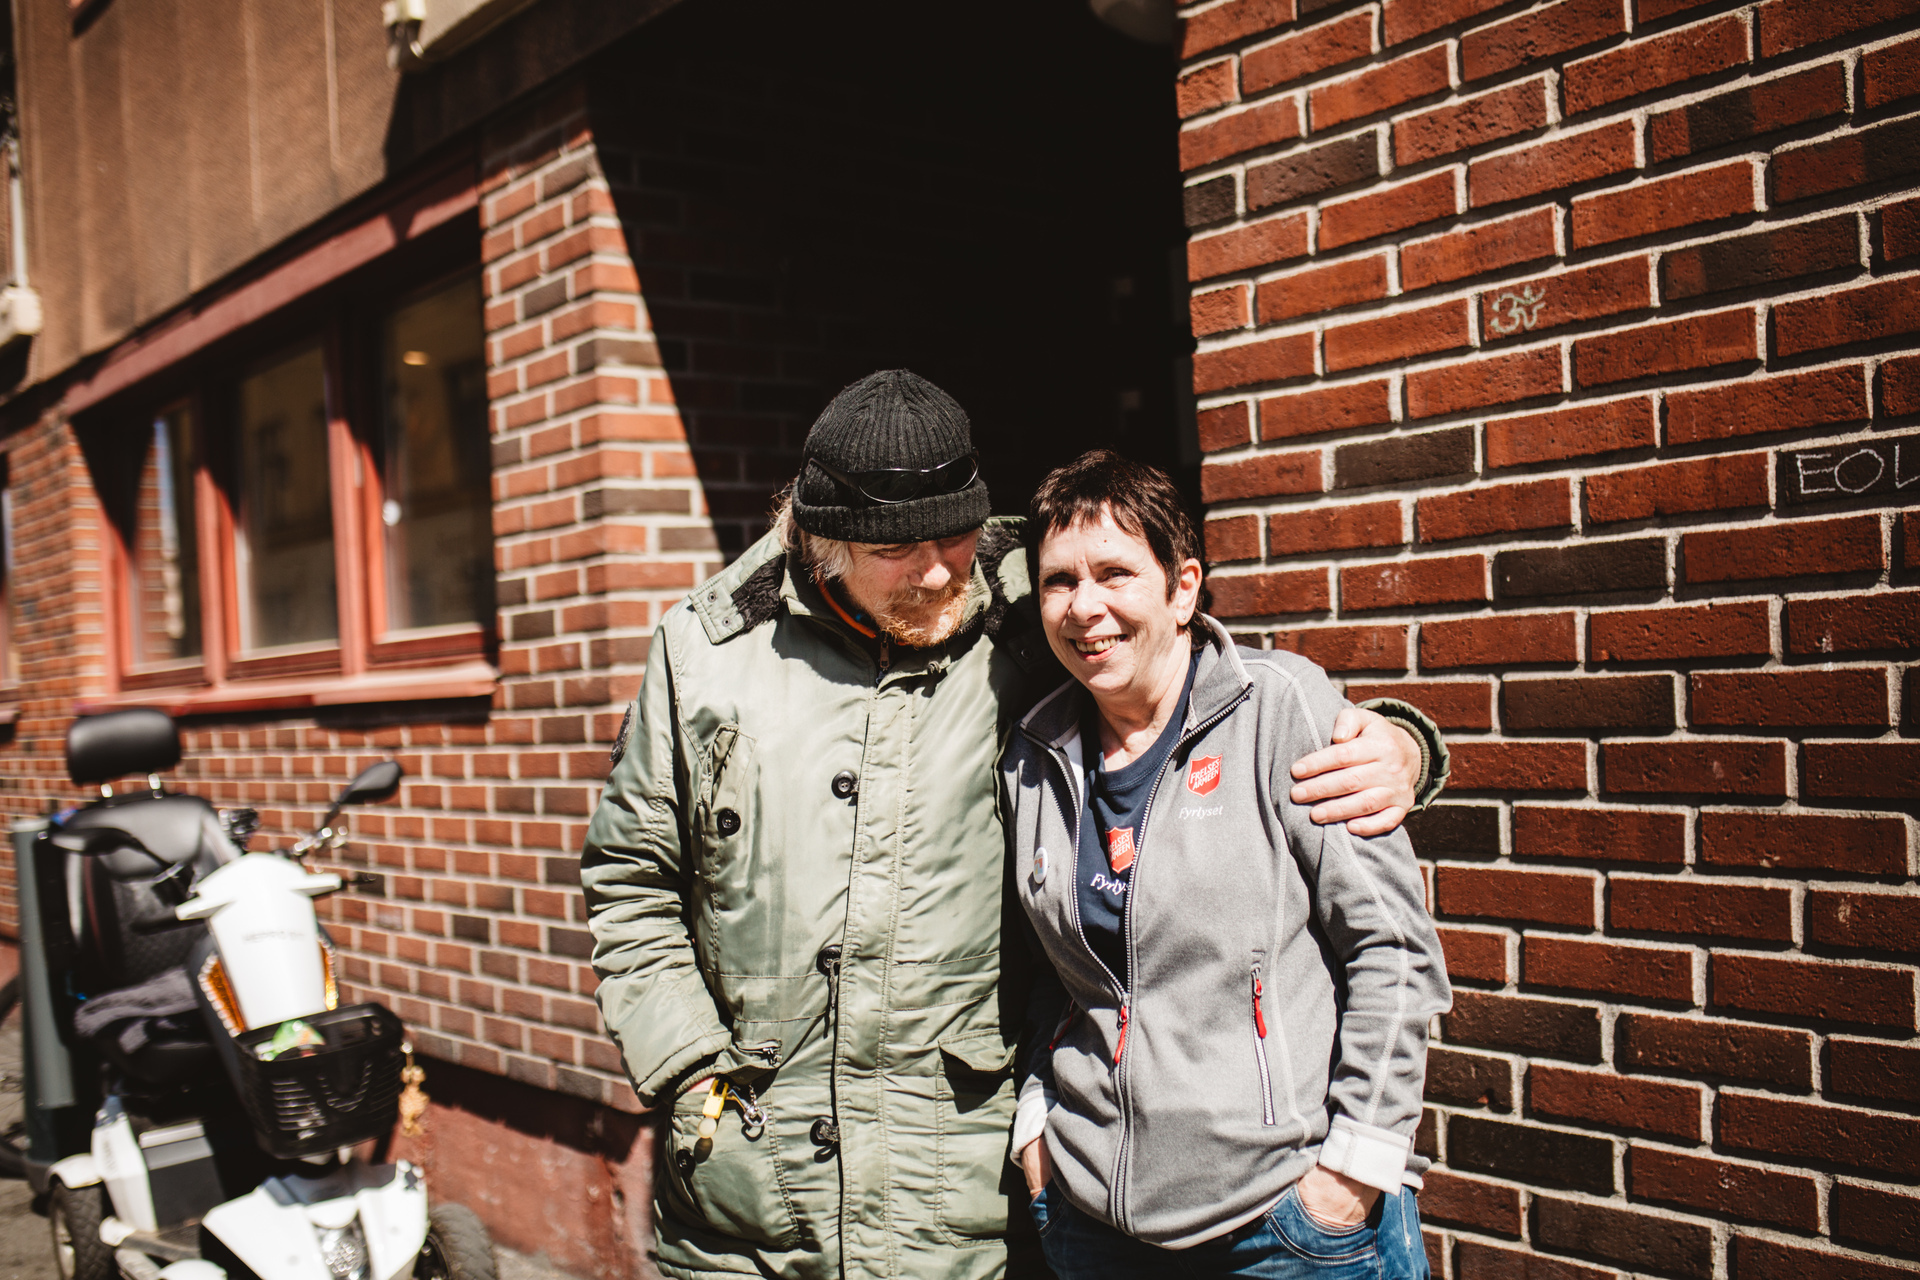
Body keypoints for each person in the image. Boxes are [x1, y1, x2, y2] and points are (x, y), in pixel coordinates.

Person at [580, 371, 1448, 1280]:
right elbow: (630, 877)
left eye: (955, 537)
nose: (937, 570)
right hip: (745, 1189)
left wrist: (1403, 743)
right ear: (824, 541)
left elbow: (1196, 671)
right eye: (899, 550)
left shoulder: (1027, 604)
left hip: (953, 1191)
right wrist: (686, 1069)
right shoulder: (705, 651)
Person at [1006, 450, 1451, 1279]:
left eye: (1115, 573)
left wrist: (1354, 1169)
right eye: (1059, 581)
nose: (1085, 607)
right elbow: (1056, 973)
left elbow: (1392, 948)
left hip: (1285, 1225)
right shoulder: (1034, 751)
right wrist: (1039, 1118)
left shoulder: (1280, 709)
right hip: (1095, 1221)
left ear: (1183, 588)